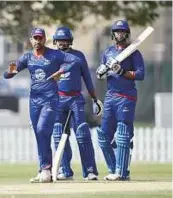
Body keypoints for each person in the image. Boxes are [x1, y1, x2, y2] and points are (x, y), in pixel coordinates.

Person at [3, 27, 80, 183]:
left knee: (42, 129)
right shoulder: (27, 58)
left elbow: (74, 61)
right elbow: (8, 74)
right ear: (31, 40)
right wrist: (11, 70)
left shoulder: (54, 54)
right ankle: (43, 169)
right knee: (39, 135)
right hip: (34, 101)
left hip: (50, 99)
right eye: (35, 38)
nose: (38, 41)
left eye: (40, 38)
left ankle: (46, 169)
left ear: (45, 39)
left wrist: (61, 72)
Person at [51, 26, 103, 180]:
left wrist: (94, 98)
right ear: (55, 41)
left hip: (75, 99)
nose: (62, 44)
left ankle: (90, 171)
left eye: (65, 41)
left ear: (70, 42)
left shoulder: (78, 56)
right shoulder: (51, 57)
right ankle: (65, 171)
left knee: (82, 133)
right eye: (60, 41)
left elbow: (87, 78)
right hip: (58, 100)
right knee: (58, 134)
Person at [96, 20, 145, 180]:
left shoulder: (134, 53)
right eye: (117, 32)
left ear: (127, 34)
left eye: (122, 32)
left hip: (127, 95)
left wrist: (122, 71)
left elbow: (140, 74)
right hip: (111, 96)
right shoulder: (108, 52)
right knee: (103, 136)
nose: (119, 34)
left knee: (123, 134)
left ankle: (122, 173)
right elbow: (102, 76)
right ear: (113, 34)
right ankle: (113, 170)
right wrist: (101, 72)